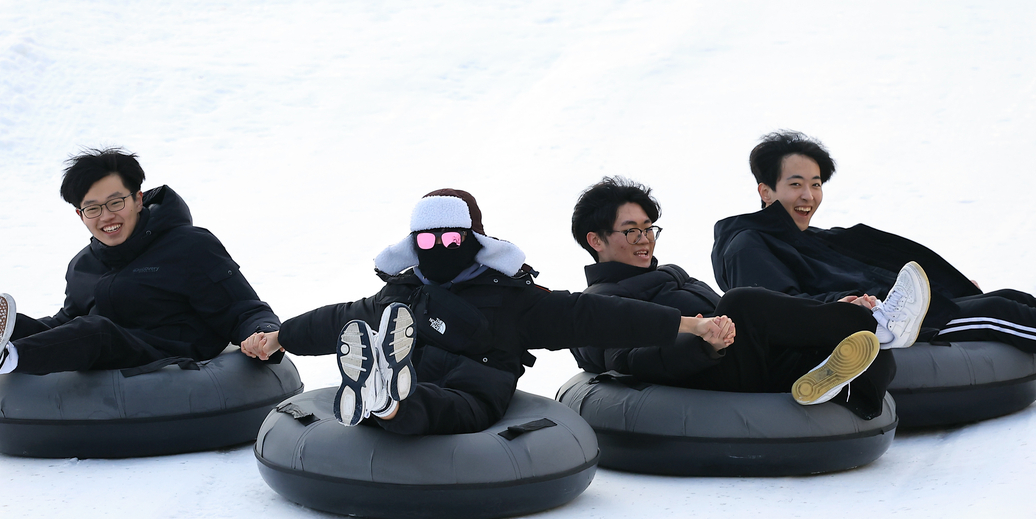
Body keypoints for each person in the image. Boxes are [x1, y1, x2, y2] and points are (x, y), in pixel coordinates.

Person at [710, 130, 1036, 372]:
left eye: (816, 183)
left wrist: (956, 287)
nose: (808, 196)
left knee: (1009, 296)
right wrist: (837, 310)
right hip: (883, 329)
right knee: (1002, 314)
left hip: (915, 312)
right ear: (765, 190)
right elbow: (770, 303)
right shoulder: (750, 240)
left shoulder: (817, 237)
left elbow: (893, 258)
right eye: (795, 184)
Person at [241, 189, 732, 434]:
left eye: (451, 238)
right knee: (377, 336)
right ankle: (380, 387)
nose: (440, 247)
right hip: (415, 366)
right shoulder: (403, 293)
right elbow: (339, 320)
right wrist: (280, 337)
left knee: (452, 405)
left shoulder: (515, 298)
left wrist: (688, 324)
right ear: (414, 245)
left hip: (476, 382)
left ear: (473, 241)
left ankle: (387, 400)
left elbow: (595, 317)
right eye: (428, 240)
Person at [0, 148, 282, 385]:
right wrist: (31, 330)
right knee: (30, 323)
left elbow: (242, 307)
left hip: (173, 353)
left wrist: (261, 334)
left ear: (138, 198)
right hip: (104, 341)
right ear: (80, 214)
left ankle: (3, 359)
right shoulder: (84, 262)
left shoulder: (190, 246)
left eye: (115, 202)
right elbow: (70, 317)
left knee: (94, 331)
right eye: (92, 208)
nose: (106, 216)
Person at [570, 177, 932, 420]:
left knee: (858, 346)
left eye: (649, 229)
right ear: (596, 240)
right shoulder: (598, 304)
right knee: (742, 302)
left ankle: (842, 388)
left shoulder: (670, 274)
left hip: (741, 357)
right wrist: (703, 345)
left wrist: (832, 311)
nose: (645, 239)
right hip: (704, 372)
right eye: (631, 231)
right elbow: (629, 360)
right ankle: (881, 324)